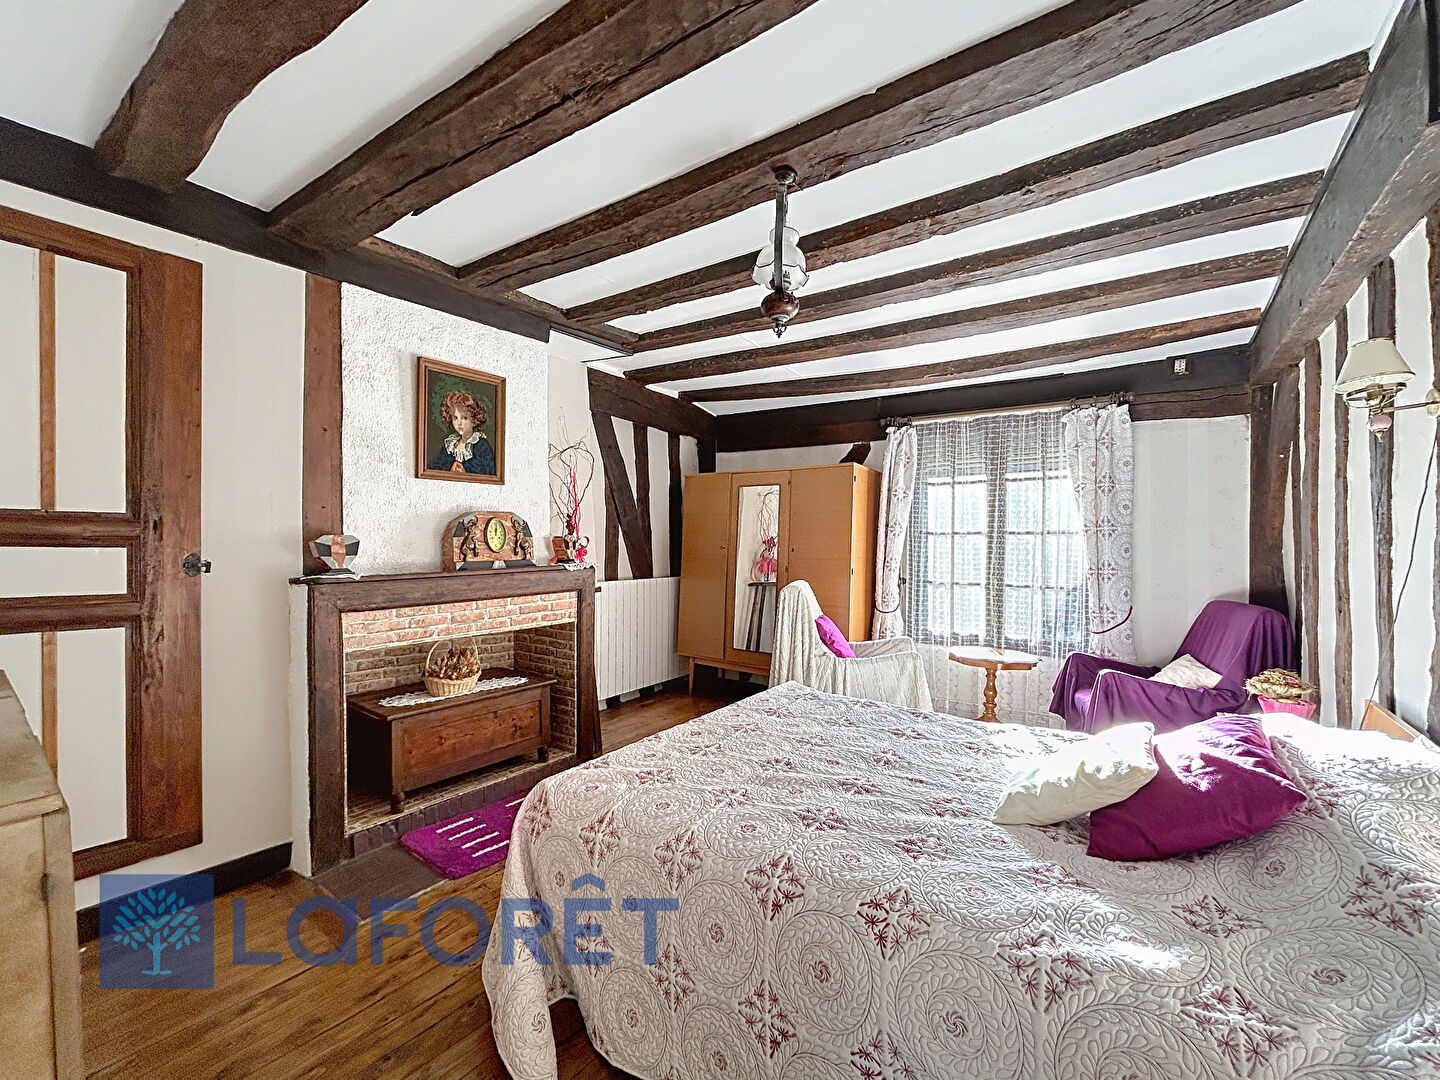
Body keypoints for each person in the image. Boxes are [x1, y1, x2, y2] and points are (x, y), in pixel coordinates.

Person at [428, 389, 496, 475]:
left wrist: (465, 474)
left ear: (474, 420)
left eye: (464, 418)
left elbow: (489, 473)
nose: (459, 423)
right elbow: (435, 468)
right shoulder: (450, 444)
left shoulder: (482, 445)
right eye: (455, 418)